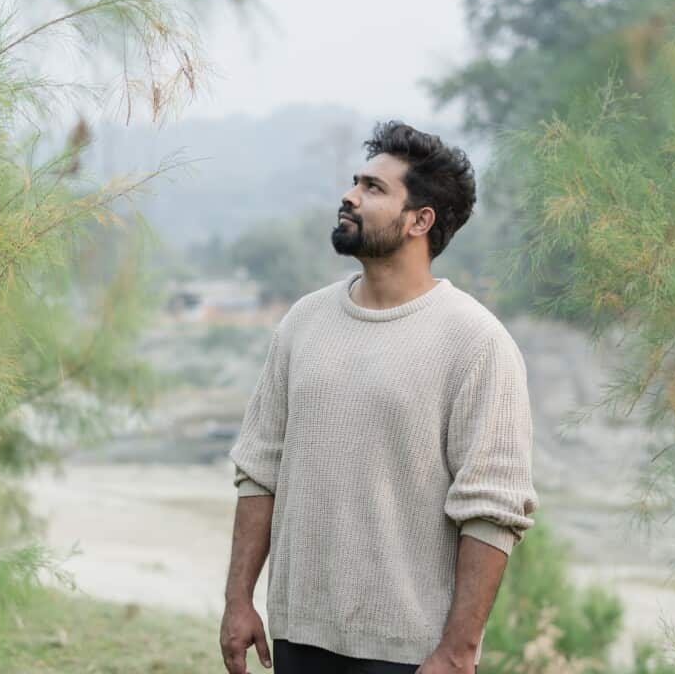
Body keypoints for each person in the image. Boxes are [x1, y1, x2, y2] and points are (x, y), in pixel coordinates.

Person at [218, 121, 538, 674]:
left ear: (420, 221)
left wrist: (457, 652)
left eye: (373, 188)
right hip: (298, 638)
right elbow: (260, 469)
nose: (349, 196)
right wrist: (238, 599)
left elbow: (492, 510)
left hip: (408, 656)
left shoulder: (477, 342)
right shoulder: (304, 322)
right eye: (355, 183)